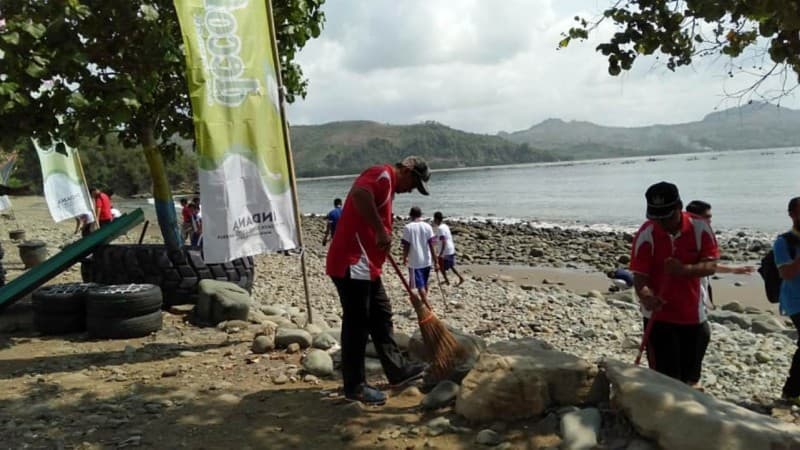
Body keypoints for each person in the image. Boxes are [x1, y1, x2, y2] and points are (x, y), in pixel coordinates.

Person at [326, 156, 430, 406]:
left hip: (367, 267)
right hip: (352, 263)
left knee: (381, 314)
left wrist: (381, 232)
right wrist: (381, 230)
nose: (411, 190)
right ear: (406, 170)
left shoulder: (388, 185)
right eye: (414, 183)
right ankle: (355, 386)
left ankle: (396, 370)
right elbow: (360, 194)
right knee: (357, 325)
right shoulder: (382, 175)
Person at [630, 181, 719, 387]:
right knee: (666, 379)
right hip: (658, 316)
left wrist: (684, 270)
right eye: (656, 218)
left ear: (680, 208)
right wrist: (646, 296)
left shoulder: (700, 228)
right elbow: (640, 276)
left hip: (693, 315)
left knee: (690, 377)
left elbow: (711, 265)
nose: (662, 224)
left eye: (667, 217)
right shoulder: (646, 234)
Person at [685, 200, 755, 310]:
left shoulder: (700, 236)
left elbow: (708, 267)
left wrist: (734, 270)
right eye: (707, 217)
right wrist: (734, 269)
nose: (710, 221)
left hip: (699, 295)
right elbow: (707, 267)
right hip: (692, 298)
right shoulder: (690, 239)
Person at [773, 197, 800, 404]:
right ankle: (790, 392)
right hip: (795, 301)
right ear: (791, 214)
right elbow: (786, 273)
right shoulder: (784, 242)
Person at [402, 207, 437, 307]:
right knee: (424, 283)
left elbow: (406, 246)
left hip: (415, 261)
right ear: (421, 215)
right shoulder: (428, 227)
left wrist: (404, 257)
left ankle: (427, 306)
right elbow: (432, 245)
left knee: (419, 285)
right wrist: (436, 261)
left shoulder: (408, 227)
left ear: (411, 215)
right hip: (427, 260)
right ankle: (424, 301)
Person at [433, 211, 464, 286]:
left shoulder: (440, 228)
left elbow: (443, 241)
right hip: (450, 249)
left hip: (445, 251)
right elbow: (438, 237)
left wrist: (441, 253)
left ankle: (447, 280)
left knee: (441, 266)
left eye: (434, 219)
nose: (434, 221)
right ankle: (460, 278)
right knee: (451, 265)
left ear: (436, 219)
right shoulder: (445, 226)